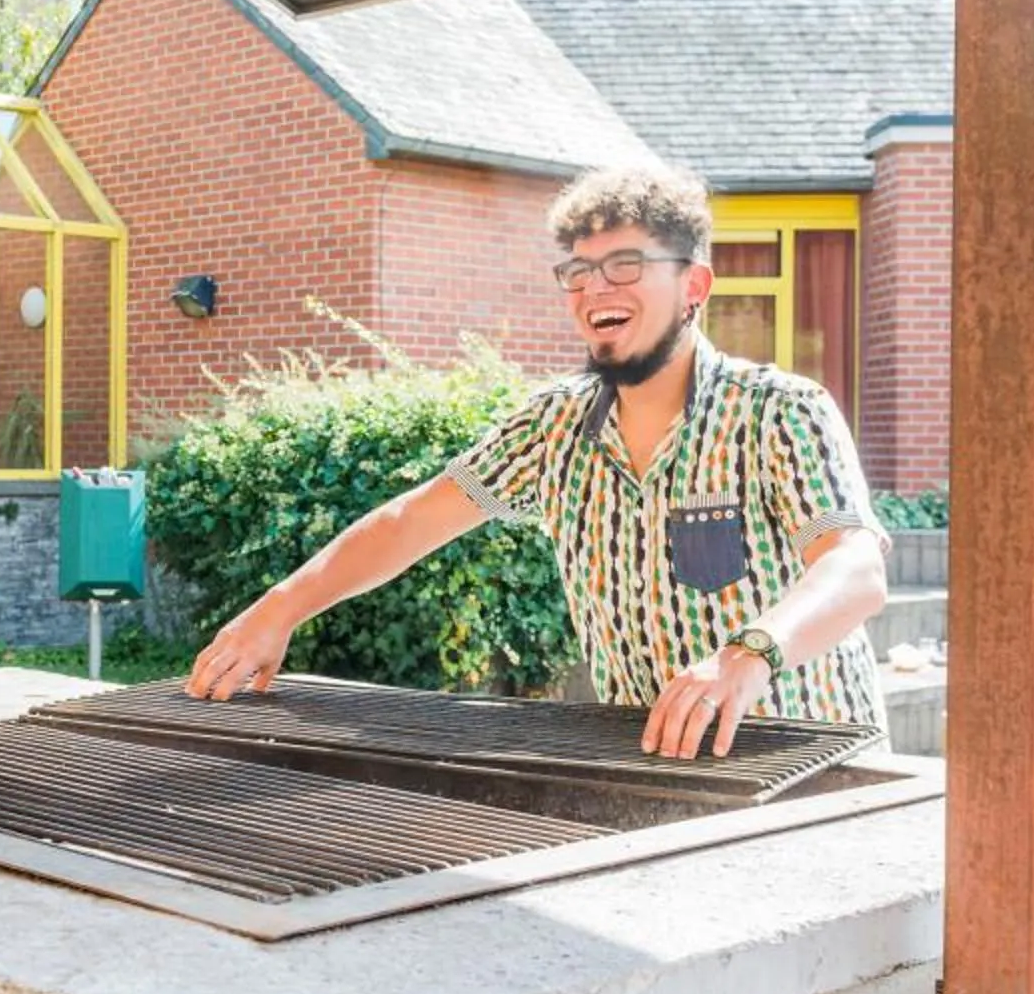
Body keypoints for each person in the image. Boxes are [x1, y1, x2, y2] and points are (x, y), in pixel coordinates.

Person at [188, 158, 890, 756]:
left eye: (625, 266)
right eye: (578, 273)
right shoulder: (552, 426)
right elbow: (410, 520)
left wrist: (750, 654)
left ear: (693, 287)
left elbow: (854, 568)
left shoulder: (780, 409)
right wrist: (279, 608)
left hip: (819, 769)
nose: (594, 290)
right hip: (657, 770)